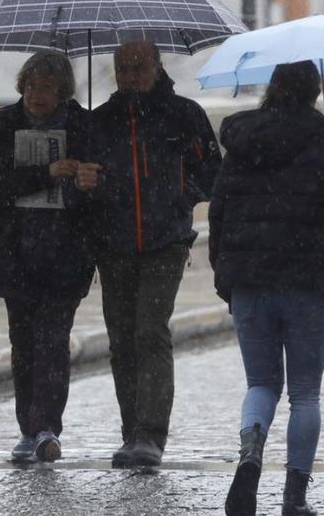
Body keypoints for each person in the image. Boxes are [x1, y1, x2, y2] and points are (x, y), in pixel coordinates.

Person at [210, 61, 324, 516]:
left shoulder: (241, 142)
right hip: (306, 279)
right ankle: (294, 498)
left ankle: (251, 452)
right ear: (312, 91)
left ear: (272, 88)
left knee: (260, 383)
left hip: (248, 280)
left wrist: (225, 273)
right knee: (304, 392)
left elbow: (218, 211)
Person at [86, 39, 222, 468]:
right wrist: (87, 183)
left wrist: (180, 197)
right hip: (114, 242)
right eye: (122, 69)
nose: (129, 77)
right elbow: (84, 183)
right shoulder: (101, 120)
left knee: (150, 329)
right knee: (121, 339)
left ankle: (151, 434)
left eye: (137, 68)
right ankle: (131, 430)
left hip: (167, 241)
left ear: (157, 68)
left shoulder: (184, 116)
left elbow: (213, 174)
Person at [0, 53, 102, 463]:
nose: (35, 95)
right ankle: (29, 428)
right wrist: (44, 172)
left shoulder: (83, 128)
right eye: (29, 87)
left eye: (45, 88)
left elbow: (99, 195)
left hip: (64, 254)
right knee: (23, 343)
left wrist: (89, 181)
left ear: (62, 90)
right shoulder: (1, 126)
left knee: (52, 342)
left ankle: (45, 427)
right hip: (16, 252)